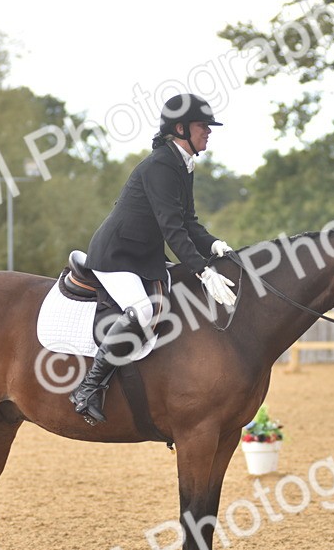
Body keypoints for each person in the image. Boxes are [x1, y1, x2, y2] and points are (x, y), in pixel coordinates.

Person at [69, 93, 237, 425]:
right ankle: (87, 388)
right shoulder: (161, 164)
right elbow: (172, 228)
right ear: (180, 128)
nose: (209, 132)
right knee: (143, 310)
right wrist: (203, 270)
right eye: (203, 126)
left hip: (143, 256)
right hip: (116, 255)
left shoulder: (182, 163)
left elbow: (189, 222)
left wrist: (215, 245)